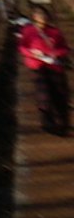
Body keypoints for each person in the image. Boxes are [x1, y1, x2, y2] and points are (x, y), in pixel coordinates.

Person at [21, 8, 69, 136]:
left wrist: (54, 54)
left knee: (60, 95)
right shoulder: (28, 31)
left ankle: (63, 124)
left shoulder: (55, 32)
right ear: (34, 19)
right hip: (38, 66)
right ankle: (48, 124)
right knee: (44, 95)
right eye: (39, 19)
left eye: (44, 18)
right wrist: (32, 53)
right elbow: (22, 47)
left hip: (54, 66)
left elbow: (64, 48)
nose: (42, 21)